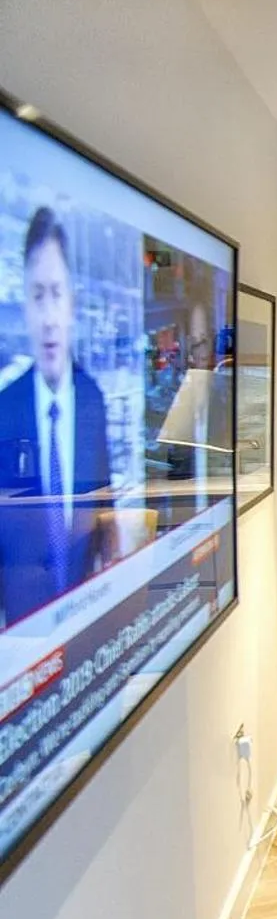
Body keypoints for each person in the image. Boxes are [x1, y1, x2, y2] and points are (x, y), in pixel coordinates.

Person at [0, 206, 113, 623]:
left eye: (57, 294)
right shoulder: (4, 408)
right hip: (20, 637)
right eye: (37, 295)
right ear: (25, 306)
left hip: (89, 623)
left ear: (72, 304)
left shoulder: (92, 401)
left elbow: (103, 511)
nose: (48, 318)